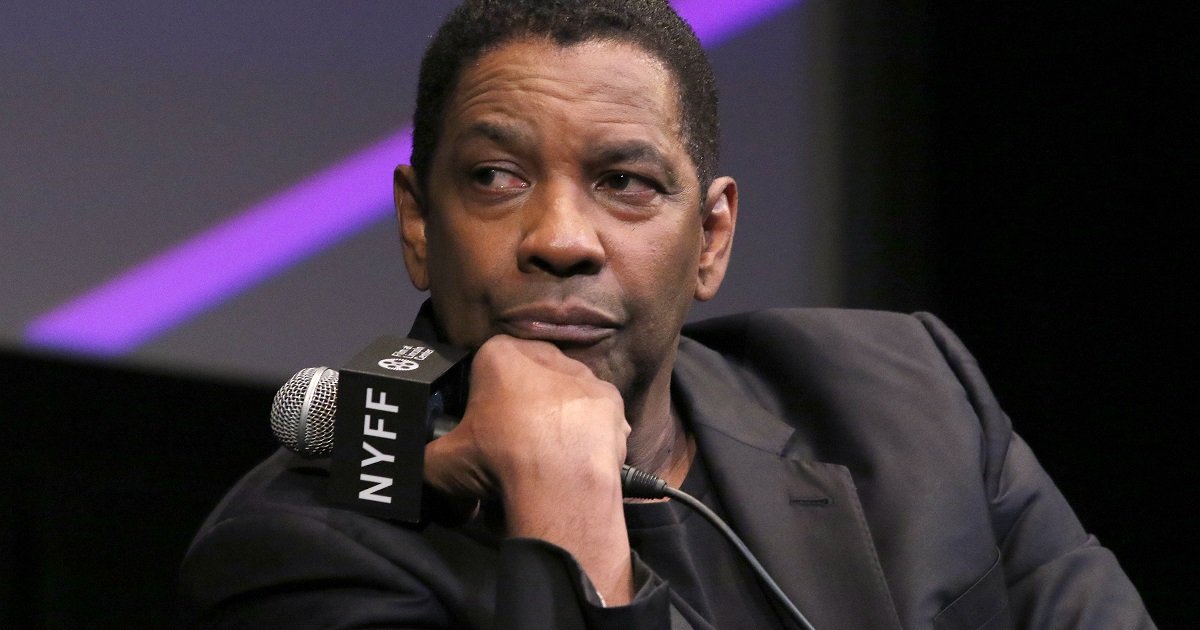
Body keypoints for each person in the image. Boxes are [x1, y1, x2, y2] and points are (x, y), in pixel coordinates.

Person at [178, 1, 1155, 627]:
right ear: (420, 225)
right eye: (496, 177)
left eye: (626, 182)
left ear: (712, 238)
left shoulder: (911, 399)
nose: (561, 238)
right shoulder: (298, 551)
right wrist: (570, 524)